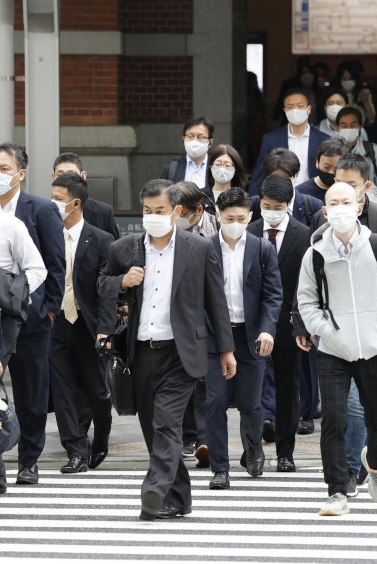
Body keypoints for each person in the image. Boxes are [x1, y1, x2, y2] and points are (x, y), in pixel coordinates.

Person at [98, 179, 236, 521]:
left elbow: (216, 302)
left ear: (176, 211)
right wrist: (121, 282)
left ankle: (155, 489)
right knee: (152, 428)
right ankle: (180, 497)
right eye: (147, 211)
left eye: (159, 211)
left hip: (181, 352)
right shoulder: (126, 248)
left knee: (166, 424)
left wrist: (225, 350)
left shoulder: (198, 248)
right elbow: (100, 282)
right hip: (140, 352)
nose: (152, 217)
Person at [296, 182, 377, 516]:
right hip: (333, 350)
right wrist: (324, 330)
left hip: (374, 347)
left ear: (359, 207)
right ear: (325, 211)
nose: (340, 208)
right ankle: (336, 490)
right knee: (334, 419)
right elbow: (306, 299)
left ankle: (374, 466)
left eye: (347, 201)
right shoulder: (315, 251)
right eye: (334, 203)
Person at [0, 143, 65, 490]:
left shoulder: (40, 210)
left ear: (20, 173)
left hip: (30, 319)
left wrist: (41, 308)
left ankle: (29, 460)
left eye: (5, 168)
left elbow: (52, 266)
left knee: (31, 392)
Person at [204, 188, 282, 490]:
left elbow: (273, 294)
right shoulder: (205, 247)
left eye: (240, 217)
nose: (234, 222)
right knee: (215, 402)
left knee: (251, 402)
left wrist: (267, 329)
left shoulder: (262, 249)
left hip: (251, 335)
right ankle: (219, 468)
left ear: (250, 217)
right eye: (228, 218)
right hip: (215, 335)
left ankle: (253, 448)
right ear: (218, 217)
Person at [48, 173, 117, 475]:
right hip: (56, 322)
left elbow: (106, 289)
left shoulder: (101, 240)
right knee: (61, 389)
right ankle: (76, 450)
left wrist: (106, 328)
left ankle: (100, 437)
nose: (53, 204)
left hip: (89, 325)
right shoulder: (45, 234)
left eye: (58, 199)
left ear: (75, 203)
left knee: (97, 391)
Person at [249, 175, 311, 473]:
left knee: (288, 389)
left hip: (289, 322)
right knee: (252, 388)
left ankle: (286, 451)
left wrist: (303, 321)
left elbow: (309, 283)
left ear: (289, 206)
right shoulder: (249, 231)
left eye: (277, 206)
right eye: (266, 205)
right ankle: (252, 449)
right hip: (255, 321)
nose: (271, 211)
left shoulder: (304, 235)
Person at [167, 180, 216, 465]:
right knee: (180, 376)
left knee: (202, 380)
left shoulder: (214, 230)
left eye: (182, 212)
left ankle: (203, 438)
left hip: (203, 313)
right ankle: (187, 434)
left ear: (197, 211)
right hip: (175, 315)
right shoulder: (163, 230)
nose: (177, 217)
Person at [251, 89, 326, 196]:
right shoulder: (271, 139)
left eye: (300, 106)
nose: (295, 110)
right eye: (290, 107)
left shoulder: (323, 139)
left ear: (309, 109)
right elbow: (259, 175)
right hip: (280, 199)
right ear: (285, 110)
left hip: (314, 200)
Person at [51, 153, 119, 239]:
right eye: (60, 176)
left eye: (71, 175)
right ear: (53, 177)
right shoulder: (43, 211)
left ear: (83, 176)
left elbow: (114, 247)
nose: (65, 180)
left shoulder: (102, 212)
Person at [254, 149, 324, 228]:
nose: (280, 182)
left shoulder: (313, 206)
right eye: (275, 177)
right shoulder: (254, 204)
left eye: (285, 177)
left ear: (296, 176)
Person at [335, 106, 377, 182]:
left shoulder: (374, 150)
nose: (348, 129)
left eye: (352, 125)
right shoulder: (332, 152)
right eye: (344, 126)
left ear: (360, 126)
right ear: (337, 127)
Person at [160, 117, 214, 185]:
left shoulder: (217, 167)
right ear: (183, 139)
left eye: (201, 137)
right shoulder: (171, 169)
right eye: (190, 136)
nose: (195, 141)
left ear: (210, 142)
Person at [297, 137, 349, 203]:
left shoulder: (351, 190)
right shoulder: (300, 193)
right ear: (317, 162)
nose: (331, 172)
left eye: (336, 168)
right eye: (326, 167)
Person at [203, 144, 248, 214]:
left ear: (236, 169)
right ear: (210, 167)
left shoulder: (243, 199)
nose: (222, 169)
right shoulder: (200, 196)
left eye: (227, 165)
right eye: (218, 164)